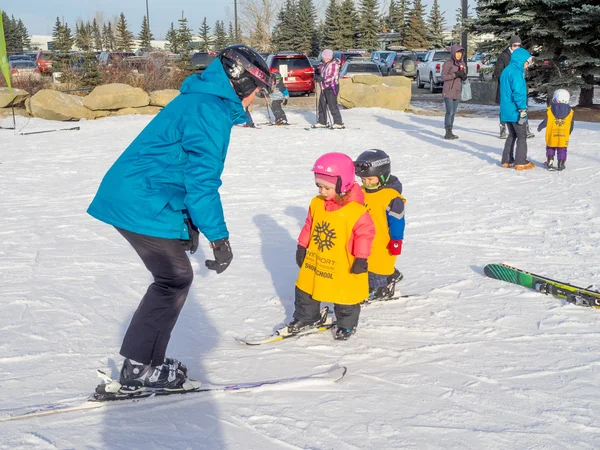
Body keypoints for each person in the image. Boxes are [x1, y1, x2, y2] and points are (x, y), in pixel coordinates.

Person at [87, 44, 273, 392]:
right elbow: (202, 184)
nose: (255, 101)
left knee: (173, 277)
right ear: (242, 84)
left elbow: (181, 170)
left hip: (143, 195)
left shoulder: (203, 102)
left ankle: (143, 363)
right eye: (257, 92)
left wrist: (185, 223)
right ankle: (140, 368)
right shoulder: (210, 112)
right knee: (173, 278)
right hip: (139, 199)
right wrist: (220, 239)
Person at [290, 152, 375, 340]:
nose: (321, 192)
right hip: (317, 259)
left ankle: (346, 324)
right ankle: (307, 317)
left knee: (344, 295)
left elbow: (365, 234)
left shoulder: (356, 211)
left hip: (343, 262)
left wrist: (361, 258)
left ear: (343, 184)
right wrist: (302, 246)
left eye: (327, 187)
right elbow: (309, 225)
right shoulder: (317, 203)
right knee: (305, 288)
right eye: (318, 186)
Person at [354, 150, 406, 301]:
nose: (366, 183)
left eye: (370, 179)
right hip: (363, 238)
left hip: (382, 241)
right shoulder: (360, 192)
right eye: (363, 179)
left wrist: (396, 240)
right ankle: (392, 275)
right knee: (364, 262)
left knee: (377, 266)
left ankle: (381, 289)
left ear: (383, 175)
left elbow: (397, 221)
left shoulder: (391, 197)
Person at [499, 48, 535, 170]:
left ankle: (506, 160)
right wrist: (522, 109)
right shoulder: (516, 73)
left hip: (506, 110)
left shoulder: (506, 71)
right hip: (516, 110)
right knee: (521, 135)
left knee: (512, 134)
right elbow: (518, 93)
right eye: (527, 62)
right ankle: (521, 161)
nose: (527, 65)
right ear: (520, 60)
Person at [494, 36, 535, 140]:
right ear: (510, 45)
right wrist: (506, 80)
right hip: (507, 87)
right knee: (506, 107)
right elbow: (497, 72)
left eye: (518, 45)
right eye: (514, 45)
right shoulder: (504, 56)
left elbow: (524, 68)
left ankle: (526, 127)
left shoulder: (521, 55)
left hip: (518, 84)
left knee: (522, 105)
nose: (517, 47)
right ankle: (503, 127)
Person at [537, 89, 575, 171]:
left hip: (552, 134)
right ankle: (561, 163)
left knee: (550, 147)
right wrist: (569, 131)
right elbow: (571, 124)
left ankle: (550, 161)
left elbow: (546, 121)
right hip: (563, 135)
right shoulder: (571, 112)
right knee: (562, 149)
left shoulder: (550, 110)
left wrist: (540, 126)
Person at [441, 44, 467, 140]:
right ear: (453, 53)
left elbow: (463, 75)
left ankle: (450, 130)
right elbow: (443, 77)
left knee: (454, 112)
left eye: (460, 53)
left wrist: (463, 76)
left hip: (457, 90)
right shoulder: (448, 63)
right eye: (457, 53)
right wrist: (455, 74)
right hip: (448, 90)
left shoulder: (462, 63)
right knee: (449, 111)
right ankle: (447, 131)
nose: (459, 55)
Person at [313, 49, 344, 129]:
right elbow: (322, 73)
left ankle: (338, 122)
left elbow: (331, 77)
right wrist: (317, 74)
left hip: (331, 87)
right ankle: (322, 121)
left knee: (332, 105)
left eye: (323, 57)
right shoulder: (326, 64)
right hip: (324, 87)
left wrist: (322, 79)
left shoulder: (333, 64)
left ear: (328, 57)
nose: (323, 58)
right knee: (322, 105)